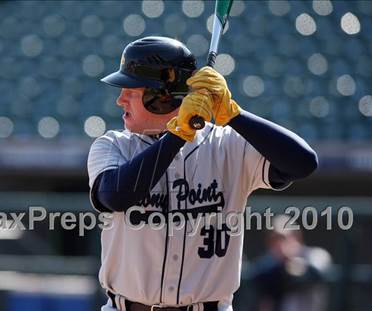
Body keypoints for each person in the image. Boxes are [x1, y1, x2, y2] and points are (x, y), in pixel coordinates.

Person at [87, 36, 318, 311]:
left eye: (130, 90)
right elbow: (117, 195)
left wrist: (235, 115)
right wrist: (177, 135)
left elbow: (303, 162)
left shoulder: (228, 144)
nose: (119, 99)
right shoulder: (112, 145)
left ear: (160, 97)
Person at [249, 215, 332, 311]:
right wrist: (284, 266)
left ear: (297, 236)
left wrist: (294, 264)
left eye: (282, 238)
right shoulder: (268, 265)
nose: (278, 243)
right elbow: (257, 276)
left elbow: (317, 274)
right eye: (274, 239)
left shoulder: (315, 255)